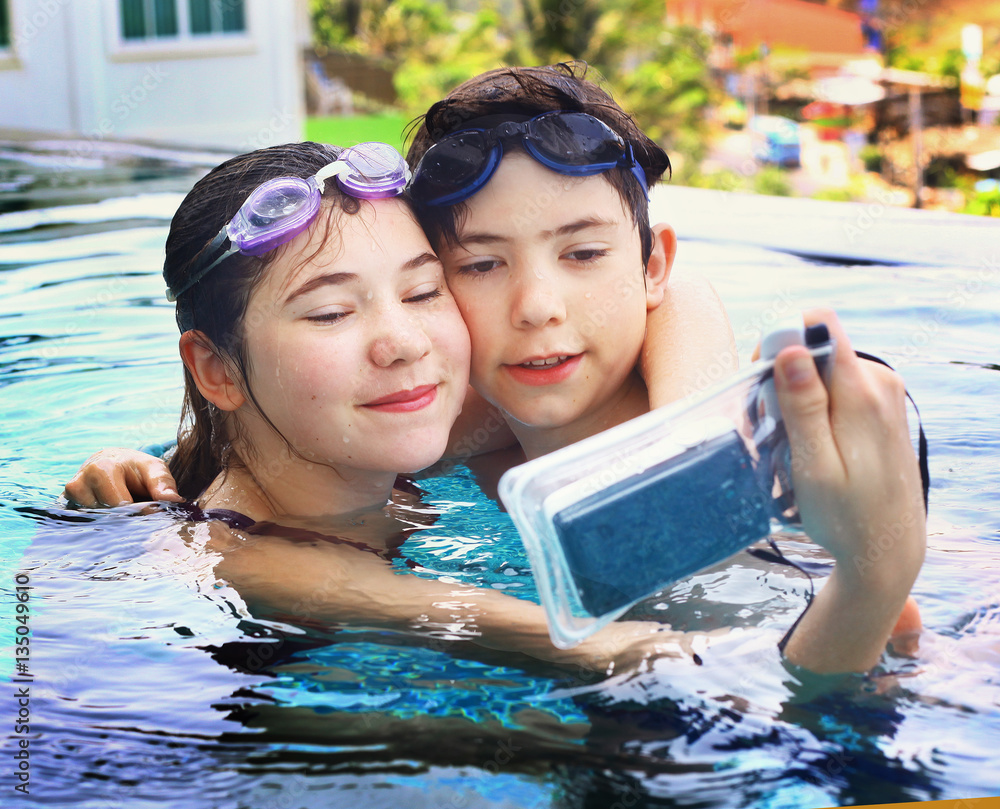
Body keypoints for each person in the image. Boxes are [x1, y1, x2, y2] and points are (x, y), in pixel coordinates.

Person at [66, 65, 925, 674]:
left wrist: (699, 443)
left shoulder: (459, 409)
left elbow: (679, 292)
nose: (537, 306)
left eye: (423, 290)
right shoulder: (385, 450)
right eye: (478, 267)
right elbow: (260, 523)